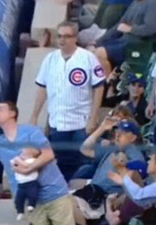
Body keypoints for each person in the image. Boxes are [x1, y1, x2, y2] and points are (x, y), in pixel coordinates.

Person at [30, 21, 105, 180]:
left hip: (81, 122)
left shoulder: (88, 58)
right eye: (59, 36)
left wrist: (94, 117)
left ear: (75, 38)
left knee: (84, 161)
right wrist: (34, 115)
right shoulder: (50, 59)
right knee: (62, 163)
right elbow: (42, 88)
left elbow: (99, 87)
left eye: (67, 36)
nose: (62, 40)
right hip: (58, 122)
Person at [71, 118, 144, 225]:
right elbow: (84, 149)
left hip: (103, 199)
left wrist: (124, 166)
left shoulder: (135, 156)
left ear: (133, 137)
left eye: (123, 133)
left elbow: (137, 183)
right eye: (117, 132)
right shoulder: (113, 148)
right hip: (91, 190)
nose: (118, 136)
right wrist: (102, 128)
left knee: (65, 206)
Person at [92, 0, 156, 76]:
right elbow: (119, 26)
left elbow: (151, 28)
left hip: (138, 46)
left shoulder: (154, 3)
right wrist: (98, 42)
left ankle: (105, 84)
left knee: (100, 53)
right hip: (124, 41)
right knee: (92, 50)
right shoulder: (135, 2)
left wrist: (130, 29)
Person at [11, 147, 41, 220]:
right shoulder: (22, 161)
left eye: (24, 154)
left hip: (31, 183)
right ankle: (20, 211)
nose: (21, 155)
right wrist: (15, 163)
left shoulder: (33, 161)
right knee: (18, 199)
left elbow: (27, 165)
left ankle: (31, 205)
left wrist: (19, 161)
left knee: (33, 195)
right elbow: (14, 166)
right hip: (21, 184)